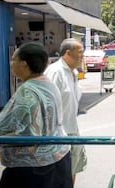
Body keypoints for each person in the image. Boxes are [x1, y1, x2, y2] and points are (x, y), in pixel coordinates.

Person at [0, 42, 72, 188]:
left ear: (24, 64)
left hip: (35, 168)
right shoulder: (47, 83)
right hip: (58, 157)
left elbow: (29, 136)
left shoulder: (28, 92)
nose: (12, 64)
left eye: (14, 59)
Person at [44, 38, 88, 185]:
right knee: (60, 177)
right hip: (58, 134)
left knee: (72, 170)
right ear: (68, 53)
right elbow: (47, 104)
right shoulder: (55, 72)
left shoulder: (73, 72)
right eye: (80, 52)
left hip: (72, 130)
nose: (83, 56)